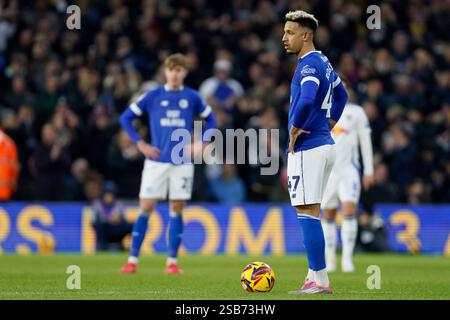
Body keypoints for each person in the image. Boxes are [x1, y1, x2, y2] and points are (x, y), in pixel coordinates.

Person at [118, 53, 217, 274]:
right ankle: (132, 260)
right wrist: (140, 144)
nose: (174, 74)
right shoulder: (152, 96)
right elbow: (125, 118)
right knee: (145, 208)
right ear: (165, 71)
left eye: (179, 70)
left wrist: (200, 142)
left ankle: (172, 262)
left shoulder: (192, 97)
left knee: (177, 209)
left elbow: (212, 120)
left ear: (184, 72)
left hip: (182, 162)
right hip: (156, 161)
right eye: (171, 70)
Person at [282, 11, 348, 294]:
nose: (284, 38)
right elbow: (342, 95)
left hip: (309, 148)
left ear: (305, 35)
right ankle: (313, 276)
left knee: (306, 212)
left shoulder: (308, 65)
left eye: (290, 32)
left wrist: (296, 127)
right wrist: (329, 123)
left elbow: (308, 97)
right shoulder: (324, 61)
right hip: (324, 145)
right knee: (313, 212)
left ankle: (320, 280)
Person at [321, 80, 374, 273]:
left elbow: (365, 141)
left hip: (348, 171)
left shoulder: (357, 112)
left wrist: (369, 171)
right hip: (327, 171)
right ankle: (330, 261)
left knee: (349, 211)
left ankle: (347, 260)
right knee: (328, 215)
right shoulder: (323, 110)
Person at [91, 181, 133, 251]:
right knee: (99, 226)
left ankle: (131, 248)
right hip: (104, 230)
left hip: (117, 229)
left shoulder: (119, 205)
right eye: (107, 195)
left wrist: (119, 220)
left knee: (131, 226)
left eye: (111, 195)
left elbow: (125, 219)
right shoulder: (97, 205)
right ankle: (102, 247)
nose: (109, 197)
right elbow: (93, 220)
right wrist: (108, 220)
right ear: (103, 195)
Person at [0, 128, 19, 201]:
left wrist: (13, 187)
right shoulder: (9, 143)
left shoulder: (9, 144)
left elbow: (14, 168)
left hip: (5, 194)